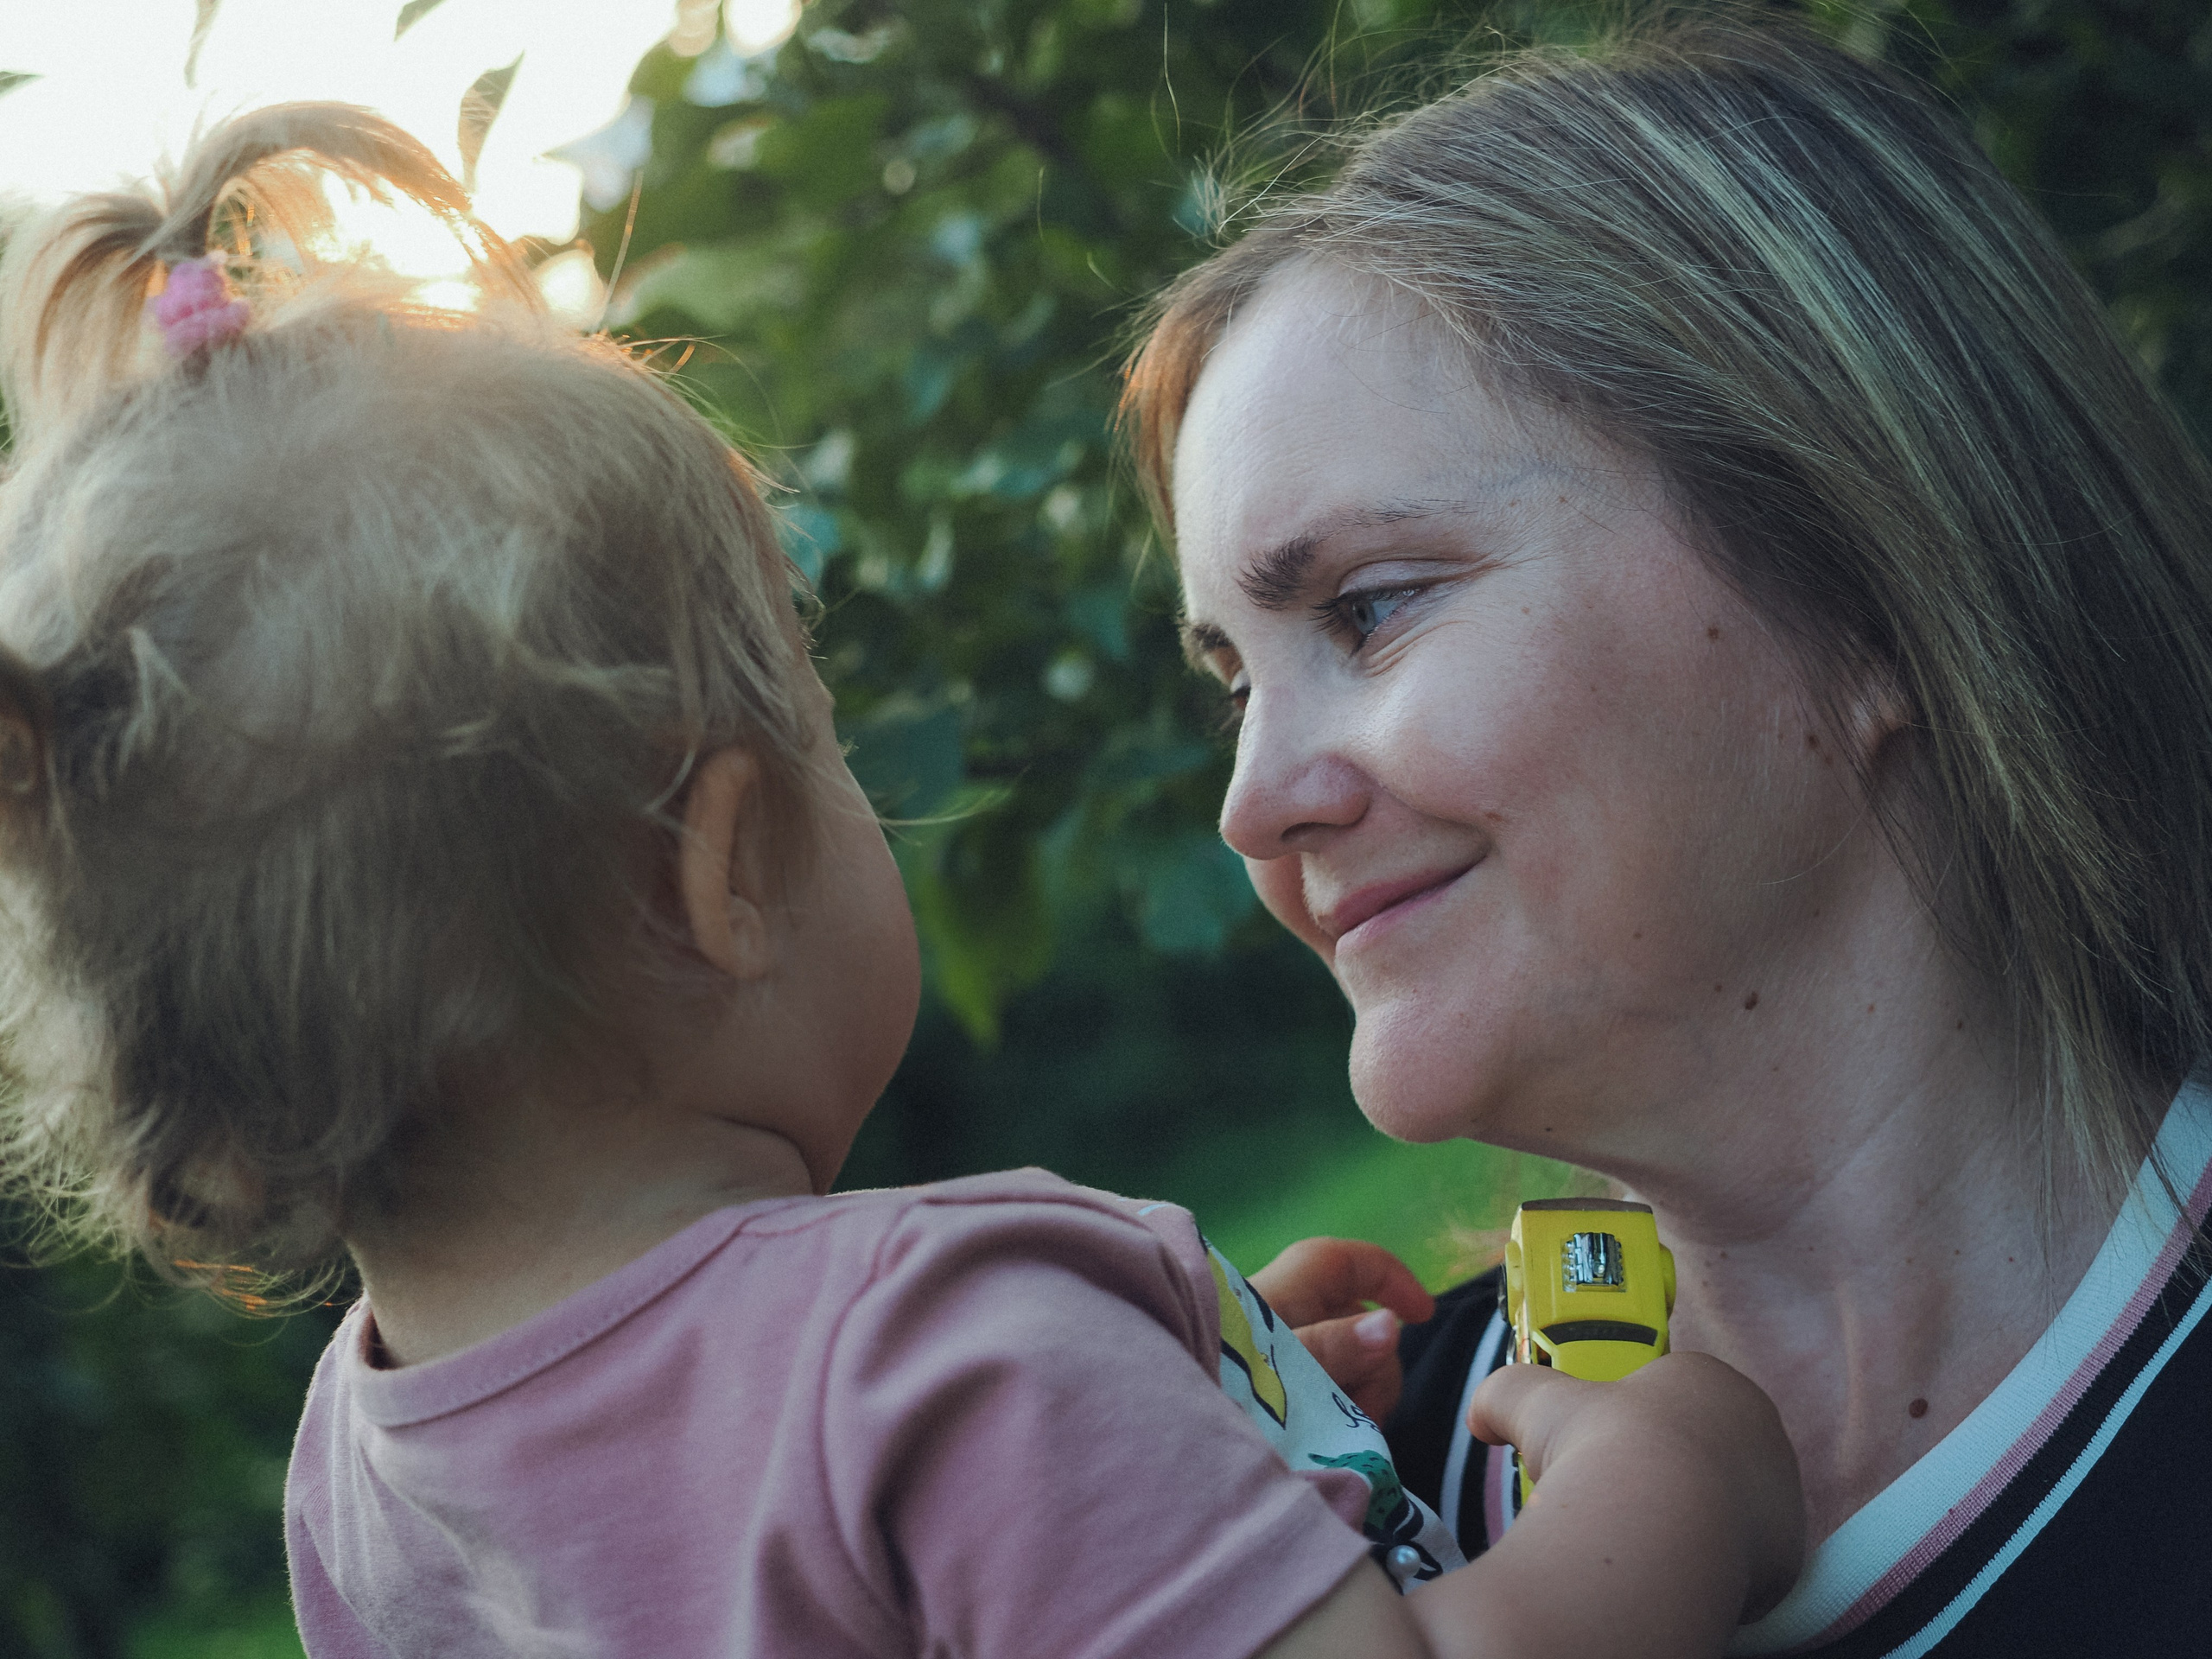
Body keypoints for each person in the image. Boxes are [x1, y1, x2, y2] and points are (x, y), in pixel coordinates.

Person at [0, 105, 1802, 1659]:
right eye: (822, 728)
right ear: (721, 872)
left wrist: (1187, 1458)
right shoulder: (946, 1368)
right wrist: (1674, 1481)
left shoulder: (368, 1481)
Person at [1125, 13, 2212, 1658]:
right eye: (1233, 682)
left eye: (1372, 608)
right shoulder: (1324, 1524)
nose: (1254, 803)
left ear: (1865, 592)